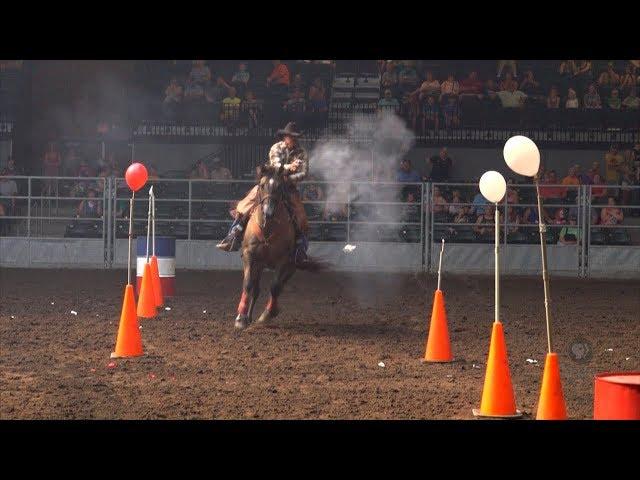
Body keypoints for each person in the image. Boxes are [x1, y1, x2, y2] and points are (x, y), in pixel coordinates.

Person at [216, 122, 309, 264]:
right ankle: (233, 234)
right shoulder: (276, 148)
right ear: (285, 137)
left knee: (301, 215)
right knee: (247, 203)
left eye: (295, 137)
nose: (293, 139)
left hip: (289, 186)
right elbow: (275, 166)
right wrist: (289, 167)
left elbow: (303, 174)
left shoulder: (302, 153)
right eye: (291, 136)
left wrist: (287, 178)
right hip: (270, 182)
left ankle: (300, 247)